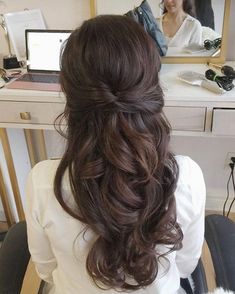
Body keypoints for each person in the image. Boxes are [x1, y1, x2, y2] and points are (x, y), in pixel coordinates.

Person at [25, 15, 206, 294]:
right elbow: (184, 268)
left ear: (71, 95)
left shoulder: (42, 182)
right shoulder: (186, 176)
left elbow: (46, 270)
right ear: (150, 87)